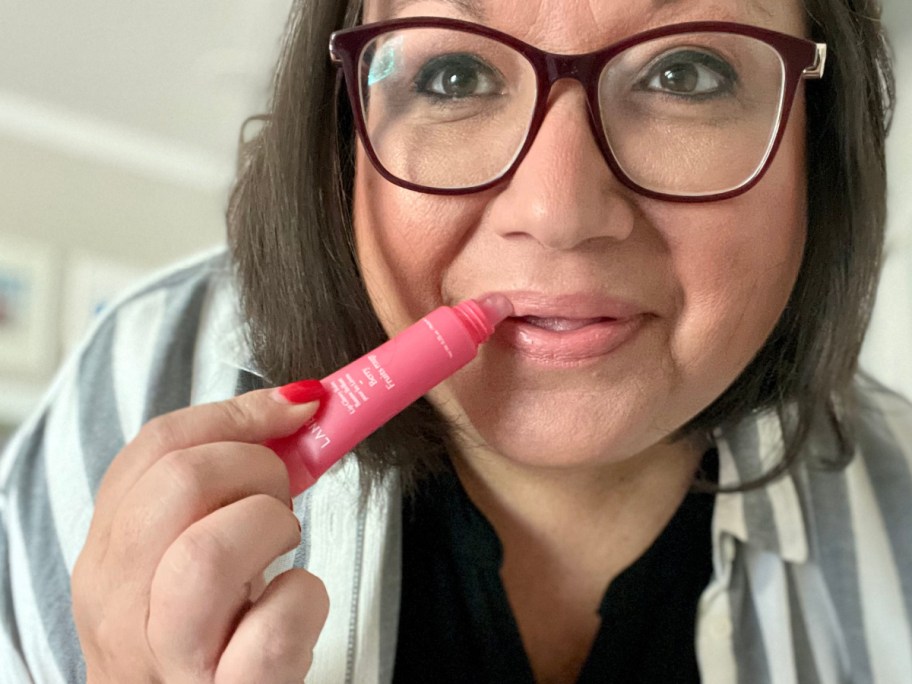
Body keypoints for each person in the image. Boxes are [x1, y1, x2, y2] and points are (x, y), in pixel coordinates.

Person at [1, 0, 909, 681]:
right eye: (453, 77)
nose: (558, 213)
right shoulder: (143, 382)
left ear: (818, 151)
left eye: (686, 75)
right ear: (338, 131)